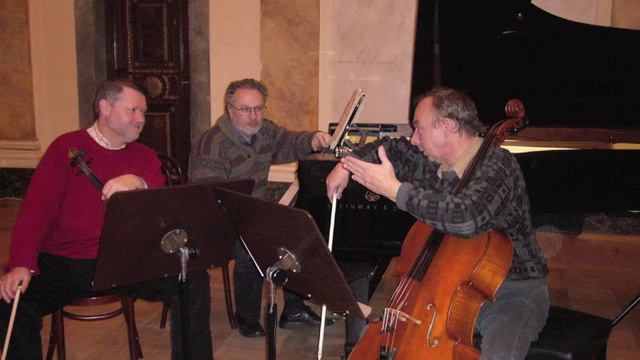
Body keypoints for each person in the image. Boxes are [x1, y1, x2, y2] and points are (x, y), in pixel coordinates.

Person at [326, 87, 550, 359]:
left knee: (499, 354)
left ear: (447, 126)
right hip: (445, 283)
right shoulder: (432, 163)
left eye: (419, 128)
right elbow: (393, 148)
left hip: (512, 289)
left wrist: (396, 191)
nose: (414, 138)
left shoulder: (499, 165)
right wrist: (346, 165)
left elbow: (466, 217)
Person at [0, 79, 213, 359]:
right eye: (133, 110)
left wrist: (136, 180)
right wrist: (21, 264)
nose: (141, 119)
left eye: (143, 112)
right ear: (105, 107)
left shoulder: (144, 156)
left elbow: (159, 200)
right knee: (11, 300)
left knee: (193, 279)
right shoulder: (66, 147)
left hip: (125, 262)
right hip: (68, 261)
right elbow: (35, 211)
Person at [189, 78, 335, 338]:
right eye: (246, 110)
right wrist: (250, 221)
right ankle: (246, 316)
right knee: (251, 249)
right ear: (230, 109)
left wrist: (313, 139)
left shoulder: (264, 132)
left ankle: (293, 310)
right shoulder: (213, 145)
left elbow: (288, 142)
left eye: (259, 108)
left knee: (298, 234)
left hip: (250, 215)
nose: (254, 116)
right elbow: (208, 198)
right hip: (217, 223)